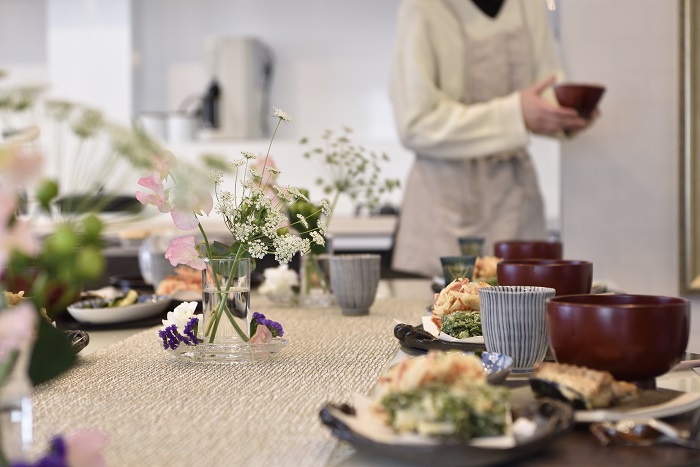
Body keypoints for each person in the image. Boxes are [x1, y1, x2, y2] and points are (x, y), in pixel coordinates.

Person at [389, 0, 599, 277]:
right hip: (443, 211)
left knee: (525, 312)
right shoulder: (422, 7)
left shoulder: (530, 5)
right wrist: (515, 114)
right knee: (437, 313)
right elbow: (415, 123)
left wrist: (564, 113)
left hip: (515, 203)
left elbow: (546, 86)